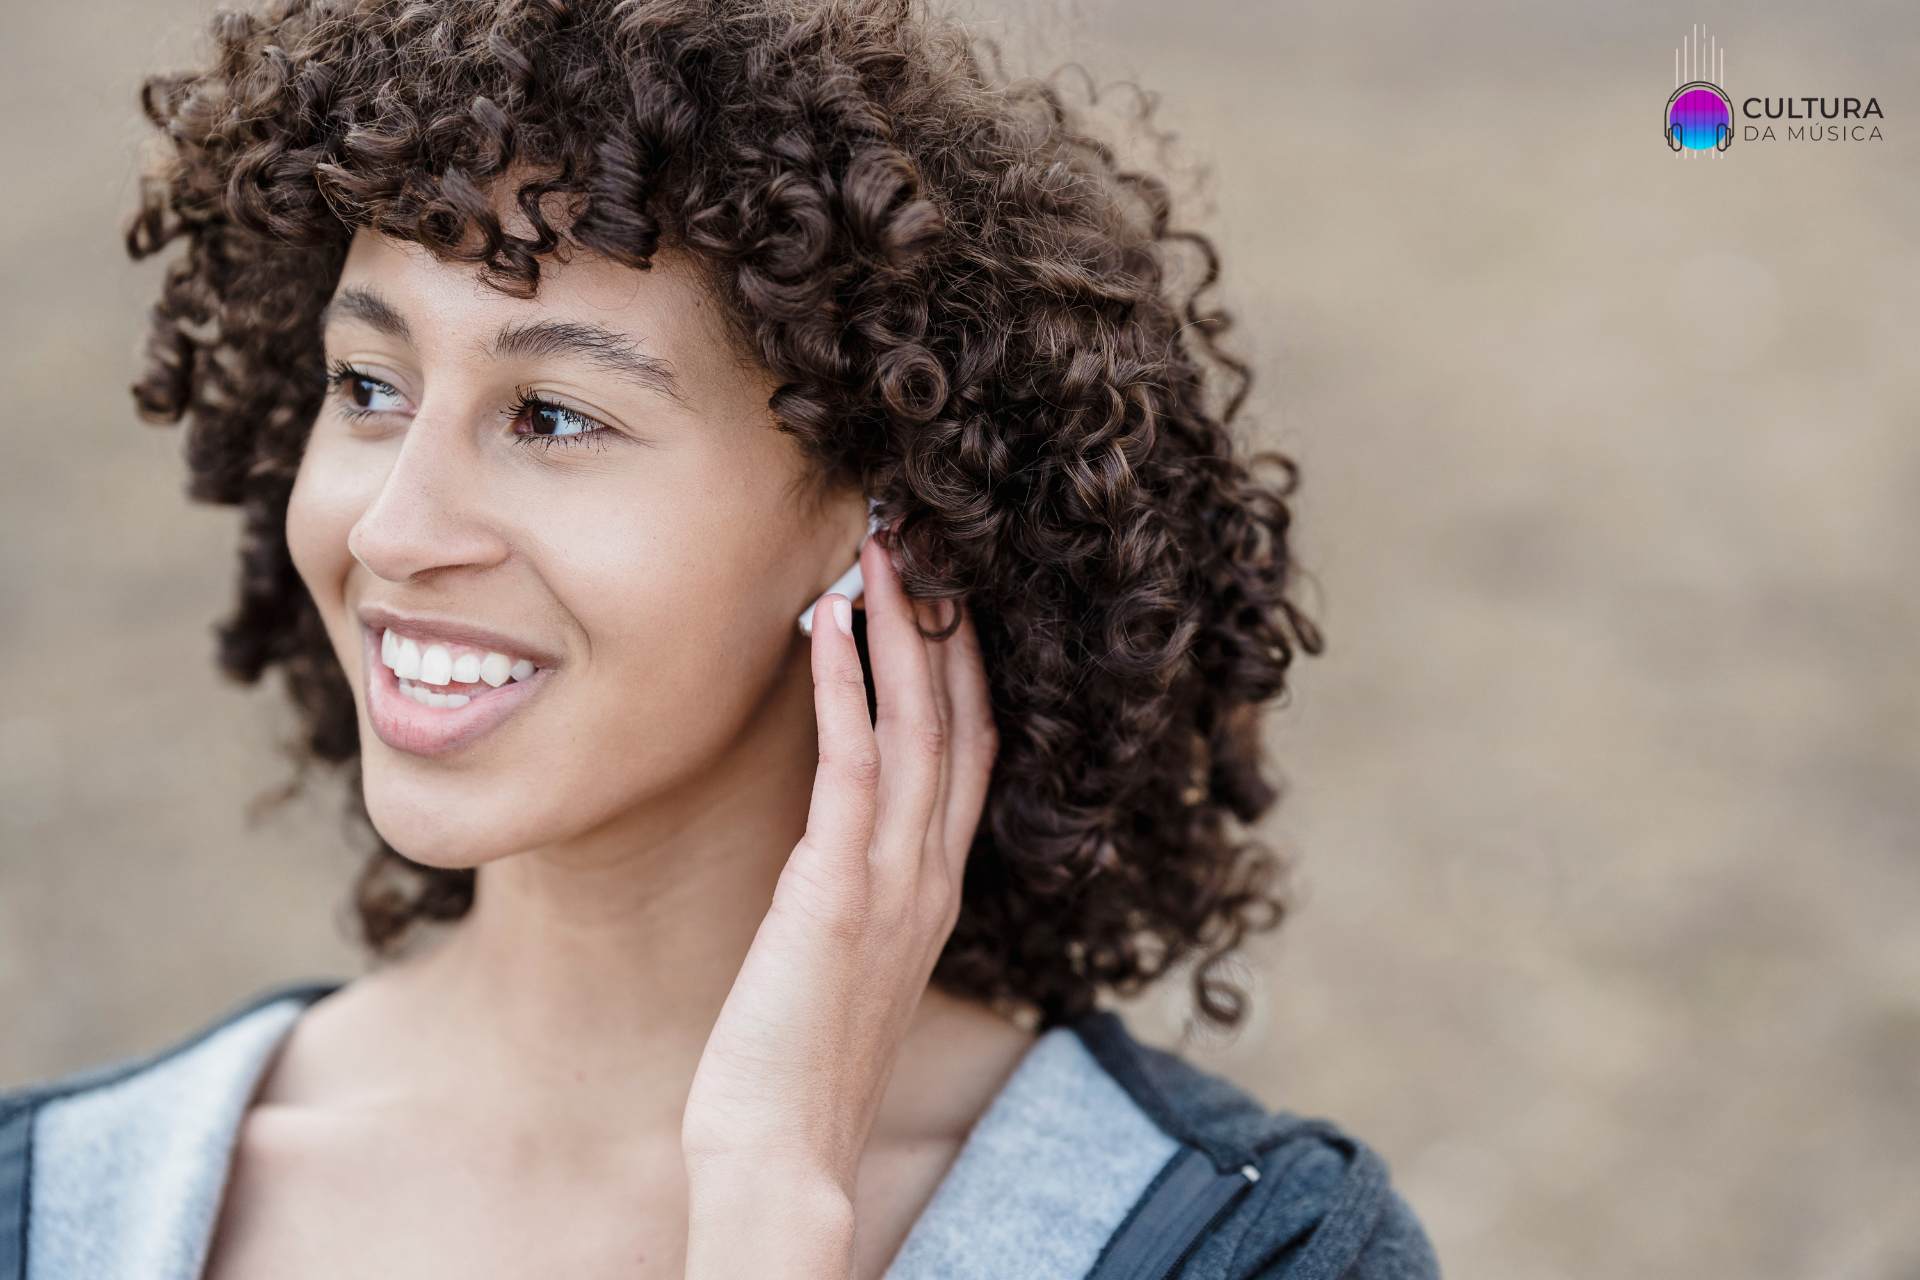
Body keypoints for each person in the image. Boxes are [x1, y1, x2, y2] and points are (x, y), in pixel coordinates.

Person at [0, 0, 1442, 1276]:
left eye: (554, 416)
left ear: (891, 519)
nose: (391, 528)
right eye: (369, 386)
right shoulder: (50, 1210)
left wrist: (772, 1205)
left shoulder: (1250, 1251)